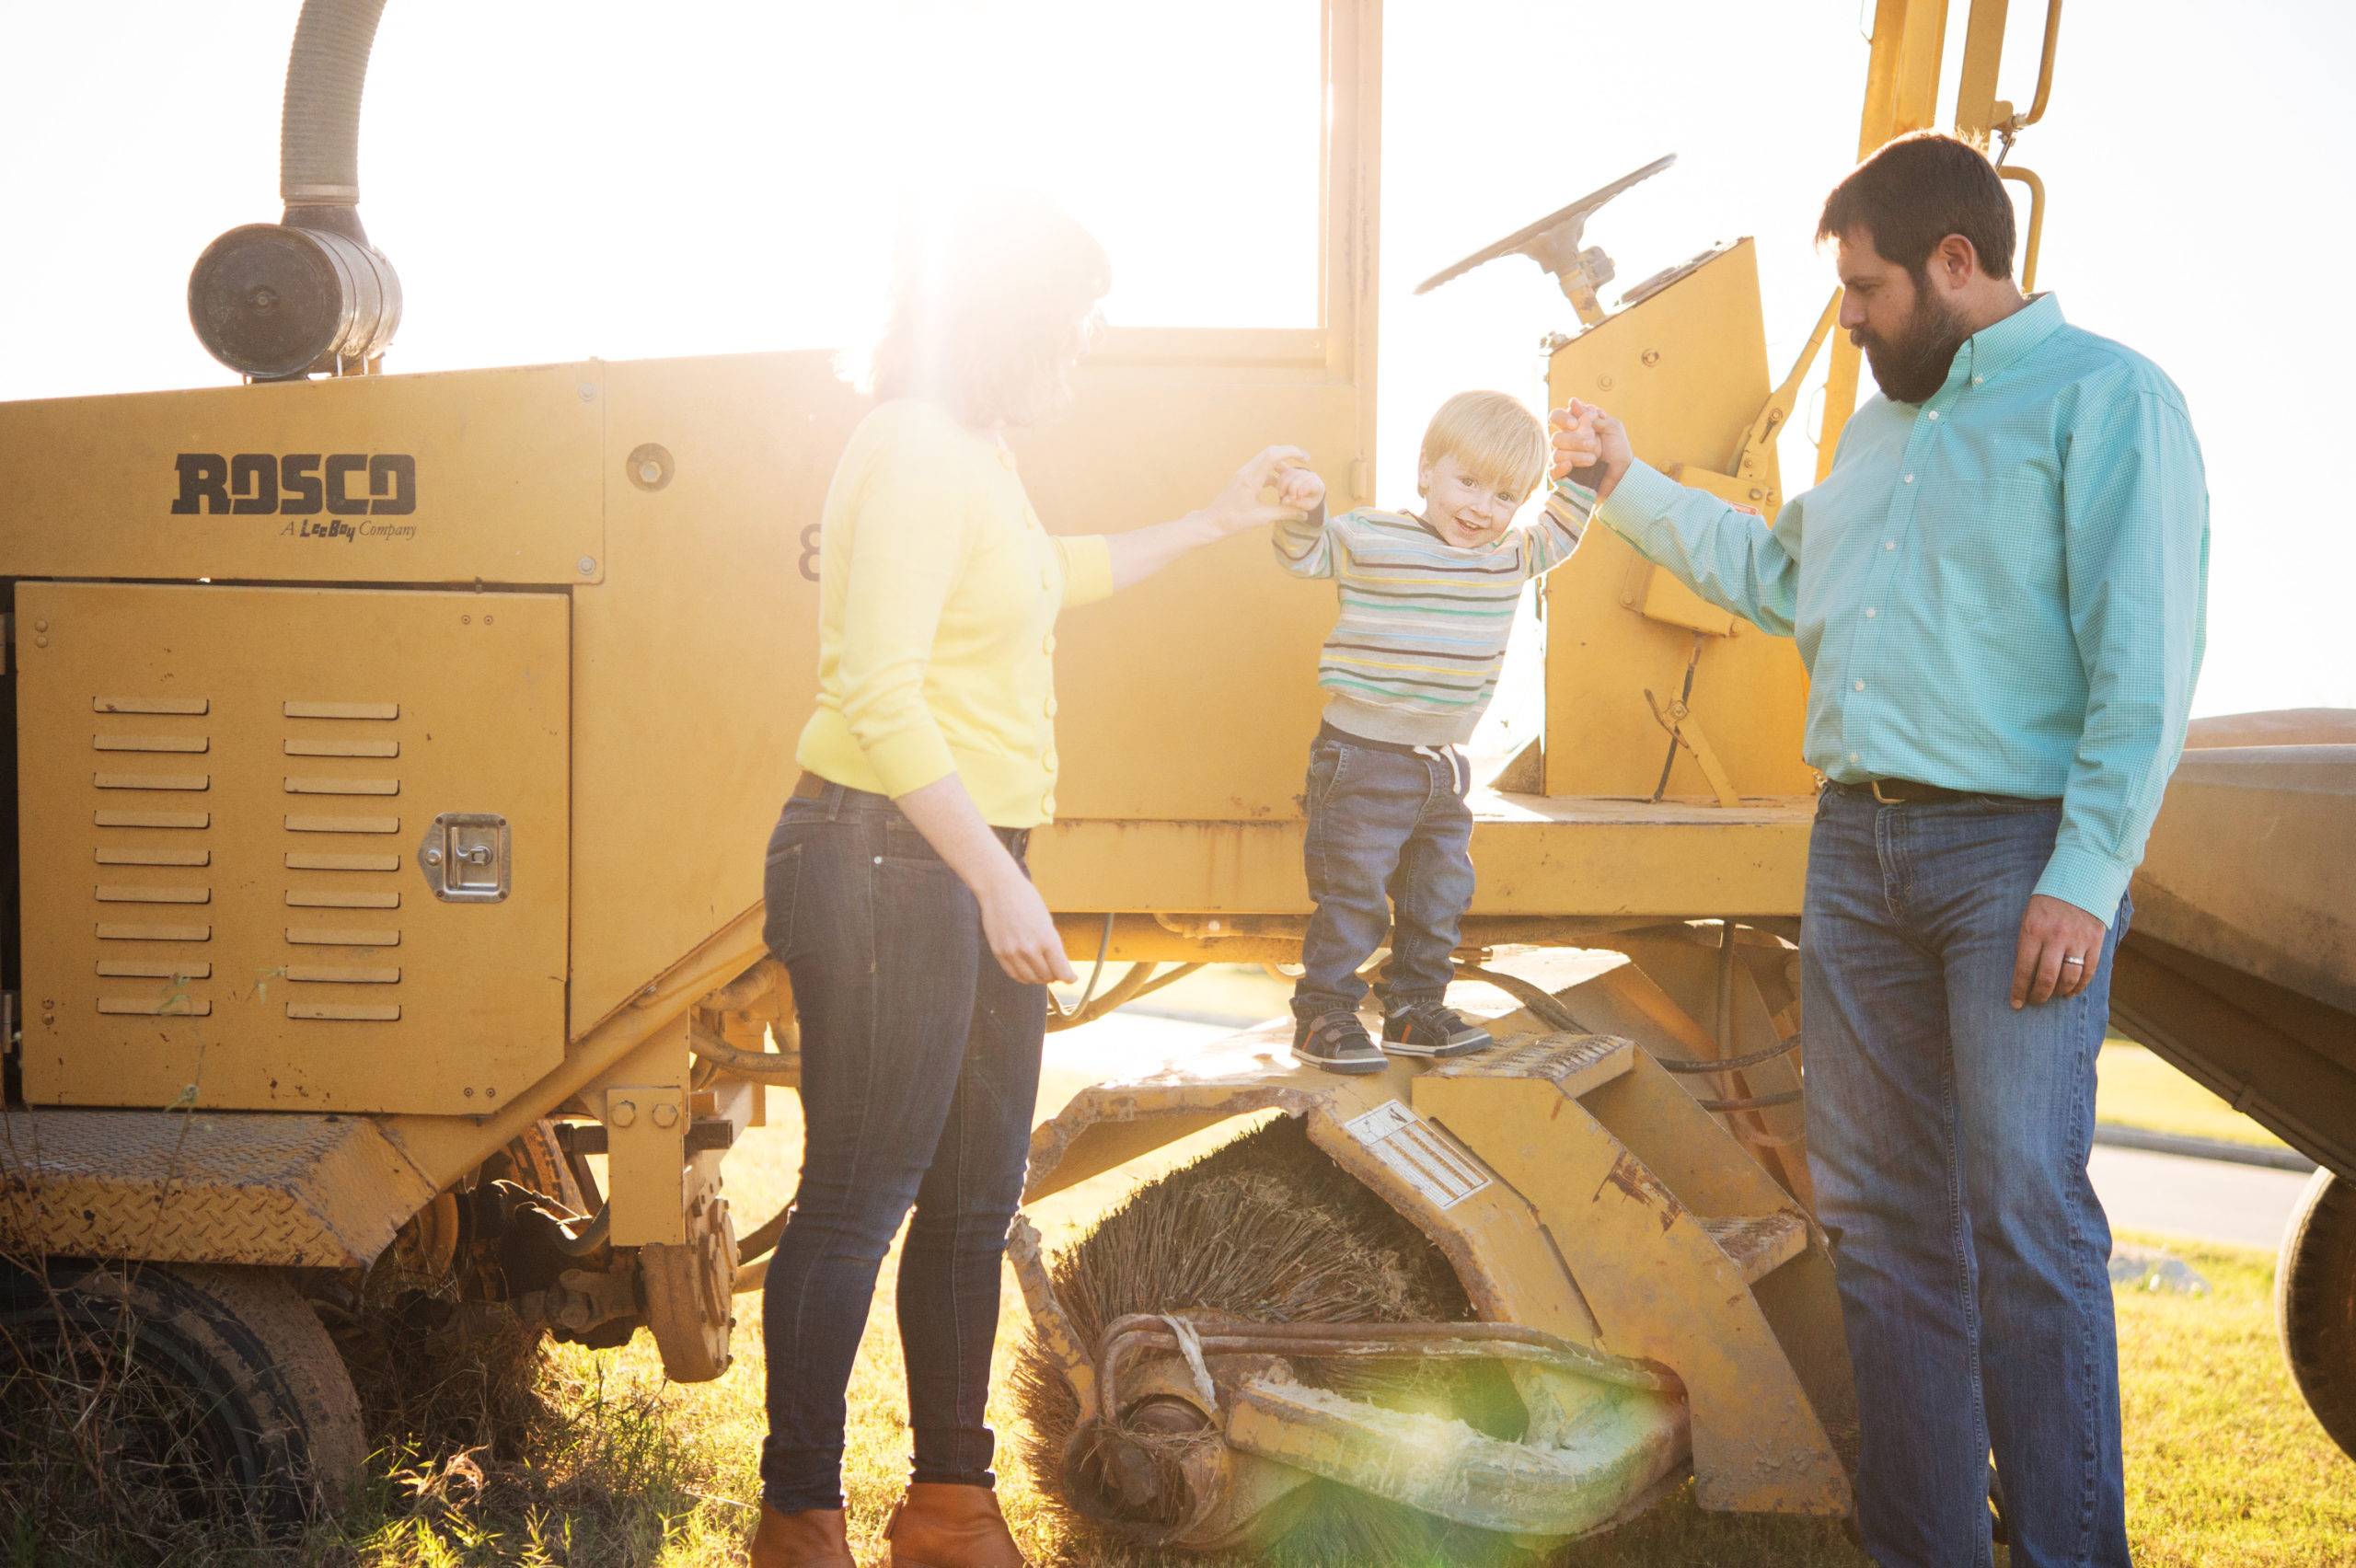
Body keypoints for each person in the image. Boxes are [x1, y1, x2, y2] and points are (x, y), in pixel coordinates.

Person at [1549, 131, 2208, 1568]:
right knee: (1888, 1234)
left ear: (1956, 265)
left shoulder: (2110, 401)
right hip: (1857, 851)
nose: (1846, 317)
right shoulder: (1880, 429)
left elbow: (2143, 673)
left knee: (2024, 1221)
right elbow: (1780, 578)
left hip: (2012, 865)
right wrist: (1623, 482)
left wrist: (2084, 880)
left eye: (1863, 288)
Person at [750, 191, 1310, 1568]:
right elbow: (876, 688)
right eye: (1074, 321)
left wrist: (1215, 518)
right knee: (857, 1198)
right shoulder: (911, 445)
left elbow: (1043, 578)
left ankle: (948, 1505)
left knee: (969, 1201)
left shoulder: (975, 450)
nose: (1086, 347)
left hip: (954, 855)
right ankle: (798, 1518)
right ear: (1008, 323)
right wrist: (991, 883)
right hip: (886, 852)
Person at [1272, 391, 1592, 1072]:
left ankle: (1415, 1011)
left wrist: (1586, 470)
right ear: (1425, 472)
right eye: (1467, 482)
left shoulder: (1508, 556)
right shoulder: (1372, 535)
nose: (1481, 507)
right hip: (1361, 758)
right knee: (1353, 896)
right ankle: (1323, 1013)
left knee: (1438, 895)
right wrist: (1305, 507)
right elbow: (1307, 555)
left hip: (1445, 767)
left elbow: (1563, 529)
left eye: (1505, 496)